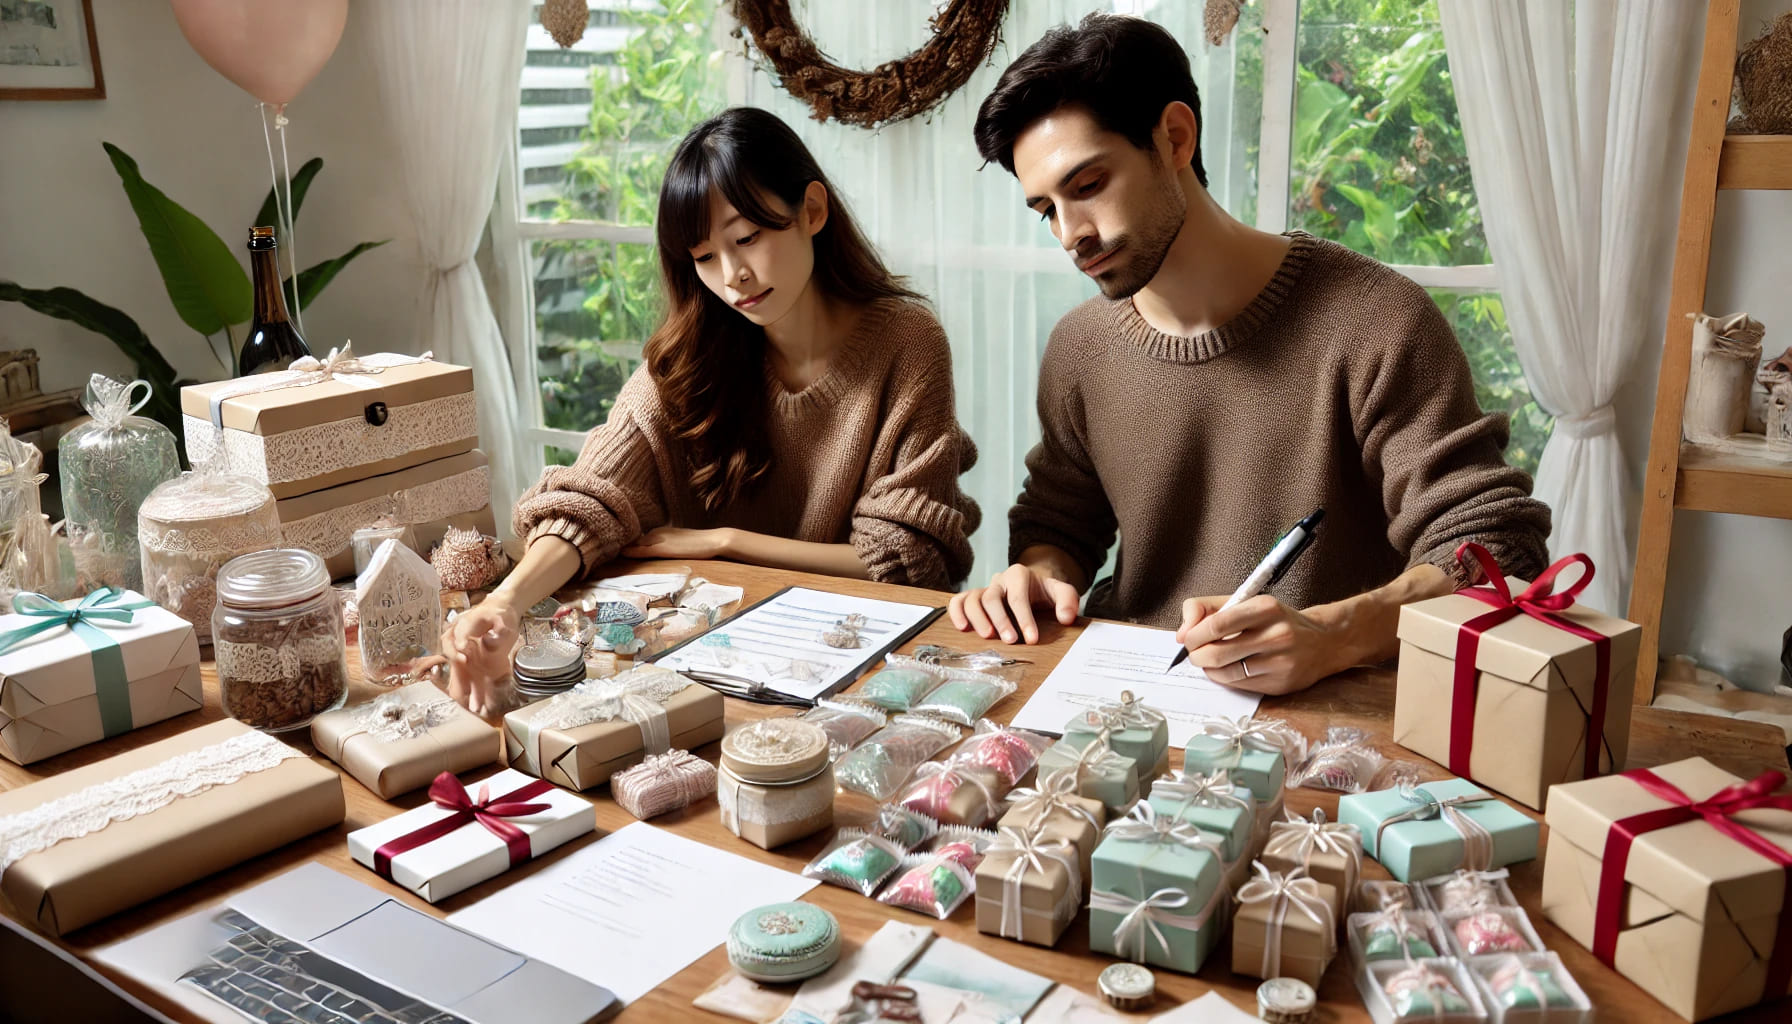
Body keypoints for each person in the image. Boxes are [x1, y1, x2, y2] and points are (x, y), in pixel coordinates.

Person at [949, 14, 1551, 695]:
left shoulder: (1377, 320)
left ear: (1174, 137)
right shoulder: (1080, 346)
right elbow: (1060, 521)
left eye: (1087, 187)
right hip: (1125, 692)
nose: (1069, 235)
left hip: (1328, 713)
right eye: (1045, 209)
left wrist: (1335, 634)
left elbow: (1496, 548)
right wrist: (1042, 575)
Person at [446, 106, 980, 713]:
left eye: (748, 238)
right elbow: (590, 498)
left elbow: (906, 561)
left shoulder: (908, 342)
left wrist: (723, 541)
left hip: (858, 673)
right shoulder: (689, 355)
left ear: (812, 211)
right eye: (704, 256)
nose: (734, 277)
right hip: (702, 669)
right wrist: (505, 603)